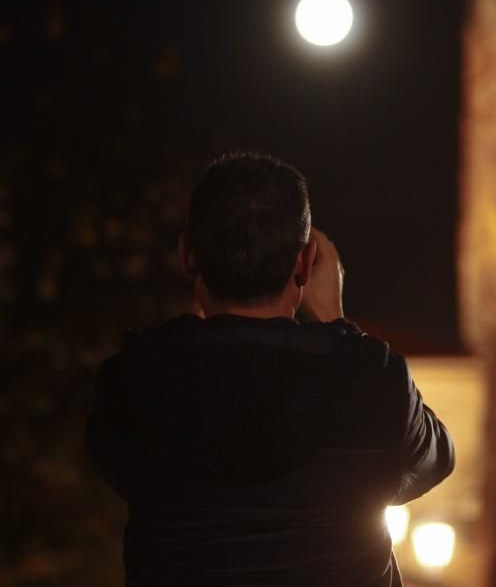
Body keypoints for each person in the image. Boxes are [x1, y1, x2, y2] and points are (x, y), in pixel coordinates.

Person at [86, 152, 455, 587]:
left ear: (188, 257)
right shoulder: (370, 382)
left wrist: (191, 335)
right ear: (305, 263)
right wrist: (336, 321)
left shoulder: (134, 383)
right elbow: (435, 461)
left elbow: (115, 467)